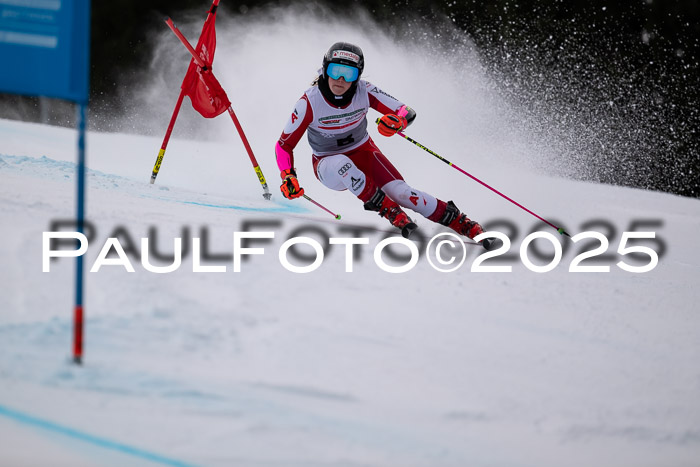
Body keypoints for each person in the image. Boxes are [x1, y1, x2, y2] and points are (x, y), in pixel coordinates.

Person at [274, 41, 494, 249]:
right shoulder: (309, 102)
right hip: (327, 164)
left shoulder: (364, 90)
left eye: (348, 73)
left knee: (403, 193)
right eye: (334, 70)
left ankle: (464, 223)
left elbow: (406, 111)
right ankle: (391, 213)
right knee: (343, 164)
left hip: (365, 152)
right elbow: (284, 146)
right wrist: (288, 176)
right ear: (324, 70)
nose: (340, 79)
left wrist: (398, 121)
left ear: (358, 76)